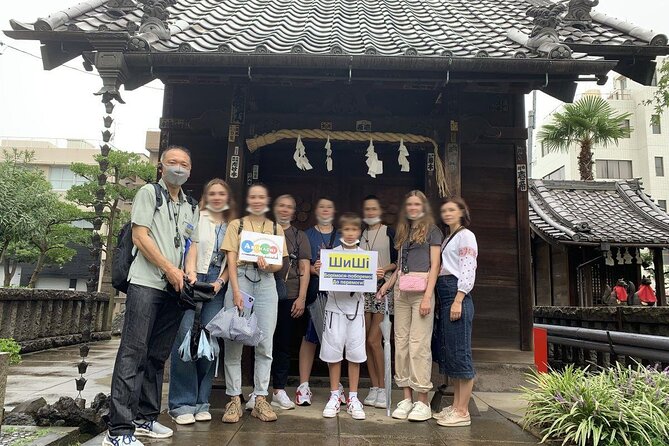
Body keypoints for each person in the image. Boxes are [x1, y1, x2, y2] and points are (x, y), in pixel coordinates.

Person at [105, 146, 199, 446]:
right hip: (146, 282)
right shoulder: (149, 193)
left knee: (157, 356)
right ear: (162, 166)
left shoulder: (190, 204)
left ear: (190, 170)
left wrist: (189, 270)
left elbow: (192, 243)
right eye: (173, 162)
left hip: (174, 287)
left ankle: (145, 418)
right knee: (132, 352)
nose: (178, 168)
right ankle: (119, 430)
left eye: (184, 164)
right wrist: (170, 268)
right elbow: (140, 236)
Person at [168, 178, 235, 425]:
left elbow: (232, 261)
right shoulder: (196, 217)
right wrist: (190, 272)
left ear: (228, 198)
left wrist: (221, 282)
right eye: (212, 193)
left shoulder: (232, 226)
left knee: (211, 341)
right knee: (185, 337)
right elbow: (191, 245)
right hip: (193, 279)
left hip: (217, 284)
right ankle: (180, 403)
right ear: (206, 196)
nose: (217, 197)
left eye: (222, 194)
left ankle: (201, 401)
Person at [220, 183, 287, 423]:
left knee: (265, 342)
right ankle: (234, 399)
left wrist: (269, 266)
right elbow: (230, 258)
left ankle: (260, 397)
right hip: (241, 281)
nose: (257, 201)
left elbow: (279, 263)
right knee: (234, 340)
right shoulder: (236, 225)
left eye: (262, 197)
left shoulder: (275, 227)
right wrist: (235, 291)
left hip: (267, 283)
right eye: (253, 197)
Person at [379, 190, 442, 422]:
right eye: (410, 204)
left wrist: (428, 296)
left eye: (417, 204)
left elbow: (435, 266)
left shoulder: (433, 231)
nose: (413, 207)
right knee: (401, 343)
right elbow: (399, 266)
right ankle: (406, 397)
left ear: (424, 206)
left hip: (422, 287)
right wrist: (387, 285)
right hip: (401, 290)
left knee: (419, 344)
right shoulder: (403, 232)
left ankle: (422, 400)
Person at [315, 213, 383, 420]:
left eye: (355, 230)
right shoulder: (331, 254)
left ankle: (353, 397)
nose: (351, 233)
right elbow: (326, 279)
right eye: (347, 230)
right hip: (334, 310)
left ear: (359, 232)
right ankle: (335, 395)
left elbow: (369, 284)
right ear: (341, 232)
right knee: (333, 353)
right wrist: (319, 270)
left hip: (356, 311)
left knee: (355, 353)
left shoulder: (366, 255)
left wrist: (376, 275)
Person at [432, 197, 478, 428]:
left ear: (461, 211)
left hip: (456, 292)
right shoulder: (449, 237)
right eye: (444, 210)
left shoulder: (465, 235)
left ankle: (463, 411)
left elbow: (468, 269)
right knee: (452, 351)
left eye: (452, 209)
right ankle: (457, 406)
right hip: (446, 292)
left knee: (461, 352)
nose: (447, 213)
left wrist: (459, 298)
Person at [296, 197, 342, 406]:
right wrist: (315, 270)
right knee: (310, 337)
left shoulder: (342, 236)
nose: (325, 210)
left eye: (329, 207)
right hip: (315, 292)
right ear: (316, 210)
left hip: (338, 296)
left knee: (337, 338)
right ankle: (303, 386)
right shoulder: (307, 235)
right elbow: (302, 266)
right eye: (322, 206)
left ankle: (337, 386)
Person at [270, 194, 312, 410]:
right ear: (274, 207)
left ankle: (278, 389)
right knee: (261, 342)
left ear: (294, 212)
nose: (285, 210)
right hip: (264, 293)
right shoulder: (264, 230)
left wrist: (302, 298)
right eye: (281, 205)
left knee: (283, 344)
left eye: (290, 207)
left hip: (290, 294)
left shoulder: (299, 236)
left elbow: (305, 268)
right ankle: (259, 391)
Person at [360, 195, 397, 409]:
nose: (371, 212)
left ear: (380, 211)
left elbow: (399, 260)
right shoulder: (361, 233)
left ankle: (384, 388)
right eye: (367, 209)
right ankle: (374, 387)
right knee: (365, 340)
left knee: (375, 339)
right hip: (363, 290)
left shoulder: (389, 232)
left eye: (374, 208)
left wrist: (387, 269)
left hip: (383, 289)